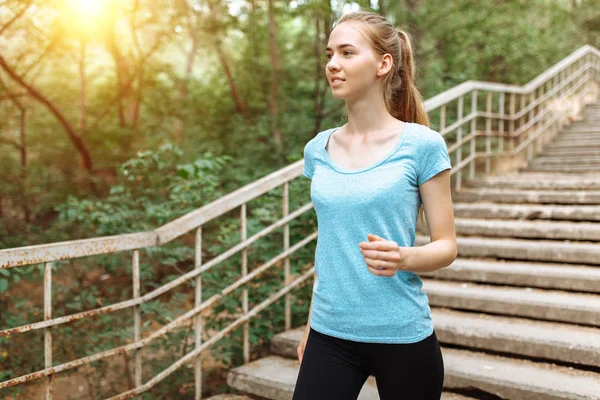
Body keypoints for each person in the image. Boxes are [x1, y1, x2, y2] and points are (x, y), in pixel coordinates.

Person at [293, 9, 457, 400]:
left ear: (384, 63)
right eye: (330, 54)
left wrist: (402, 257)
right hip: (330, 334)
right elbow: (329, 246)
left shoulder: (421, 146)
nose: (333, 64)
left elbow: (446, 246)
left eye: (347, 53)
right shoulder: (318, 149)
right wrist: (310, 326)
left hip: (401, 333)